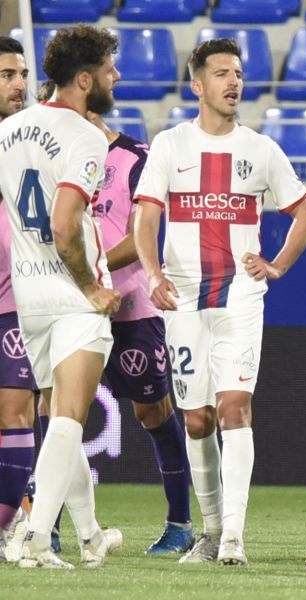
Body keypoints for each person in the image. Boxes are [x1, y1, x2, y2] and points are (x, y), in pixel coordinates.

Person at [134, 38, 306, 566]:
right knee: (196, 419)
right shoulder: (170, 145)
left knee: (235, 407)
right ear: (198, 85)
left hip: (240, 296)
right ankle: (211, 532)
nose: (233, 81)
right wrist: (150, 273)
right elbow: (145, 219)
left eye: (237, 72)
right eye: (221, 73)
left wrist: (277, 265)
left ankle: (234, 536)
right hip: (184, 298)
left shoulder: (261, 149)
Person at [0, 24, 123, 569]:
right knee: (69, 418)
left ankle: (90, 535)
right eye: (108, 69)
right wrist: (92, 286)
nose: (114, 77)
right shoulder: (87, 136)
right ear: (83, 78)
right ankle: (32, 536)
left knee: (59, 419)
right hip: (73, 299)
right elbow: (66, 222)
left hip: (28, 297)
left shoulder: (10, 130)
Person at [87, 107, 195, 554]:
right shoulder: (56, 156)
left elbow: (142, 235)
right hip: (75, 304)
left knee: (152, 411)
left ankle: (180, 523)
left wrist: (91, 268)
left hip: (132, 306)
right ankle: (47, 526)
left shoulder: (135, 156)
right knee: (61, 412)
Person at [0, 35, 37, 563]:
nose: (20, 84)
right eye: (8, 74)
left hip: (15, 297)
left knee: (16, 412)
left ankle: (10, 523)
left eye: (22, 74)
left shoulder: (26, 140)